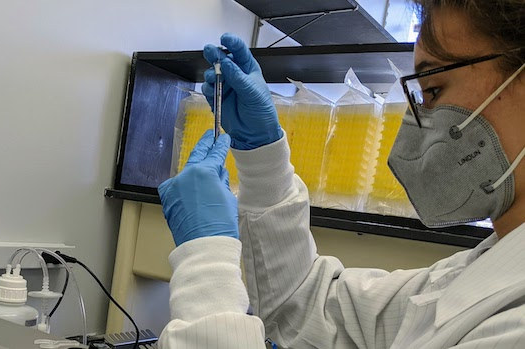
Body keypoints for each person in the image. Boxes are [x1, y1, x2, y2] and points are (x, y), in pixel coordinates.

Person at [157, 0, 525, 347]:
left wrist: (206, 262)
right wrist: (261, 154)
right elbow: (304, 306)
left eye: (432, 89)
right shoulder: (480, 270)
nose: (418, 120)